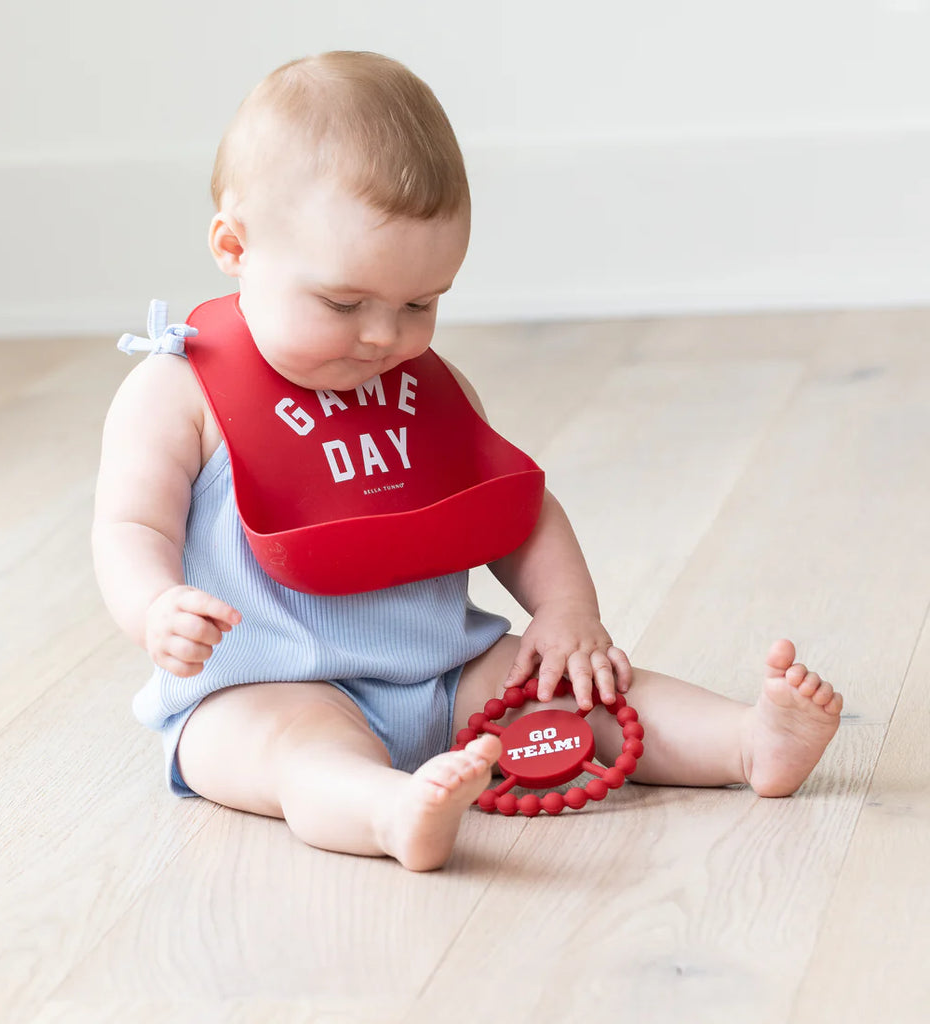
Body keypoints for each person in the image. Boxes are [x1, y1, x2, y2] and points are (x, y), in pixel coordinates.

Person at [92, 51, 843, 872]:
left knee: (583, 691)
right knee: (286, 751)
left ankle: (746, 741)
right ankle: (387, 811)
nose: (384, 336)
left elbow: (516, 510)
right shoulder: (178, 390)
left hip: (447, 675)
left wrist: (566, 616)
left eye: (421, 303)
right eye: (343, 303)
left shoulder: (431, 388)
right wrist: (154, 605)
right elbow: (130, 523)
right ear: (234, 246)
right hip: (263, 684)